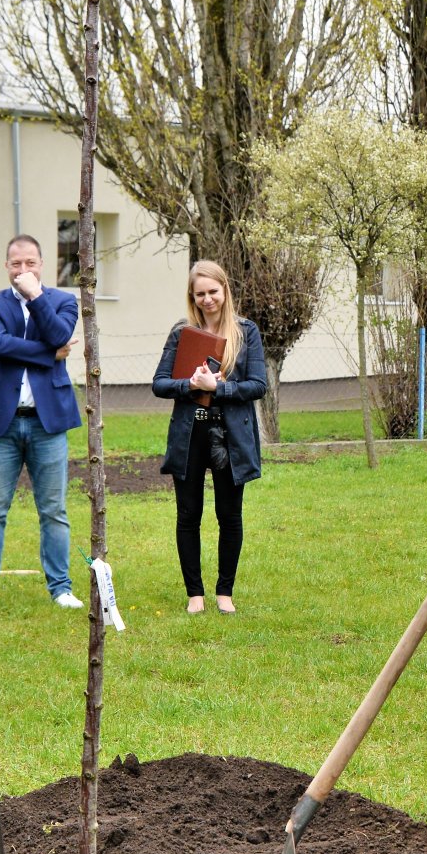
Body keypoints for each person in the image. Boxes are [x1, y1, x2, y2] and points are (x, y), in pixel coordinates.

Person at [0, 234, 83, 611]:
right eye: (16, 264)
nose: (22, 270)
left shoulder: (63, 302)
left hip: (46, 423)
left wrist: (36, 296)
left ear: (41, 264)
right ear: (6, 266)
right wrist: (51, 355)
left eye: (30, 263)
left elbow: (60, 334)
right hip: (2, 422)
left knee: (53, 510)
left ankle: (61, 588)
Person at [150, 260, 268, 614]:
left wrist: (218, 388)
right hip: (190, 434)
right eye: (199, 294)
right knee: (188, 515)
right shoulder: (182, 334)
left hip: (231, 436)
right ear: (192, 296)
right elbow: (159, 384)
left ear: (225, 290)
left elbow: (258, 385)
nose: (207, 299)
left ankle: (225, 594)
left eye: (213, 292)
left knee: (229, 516)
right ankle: (195, 595)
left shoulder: (246, 332)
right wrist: (190, 385)